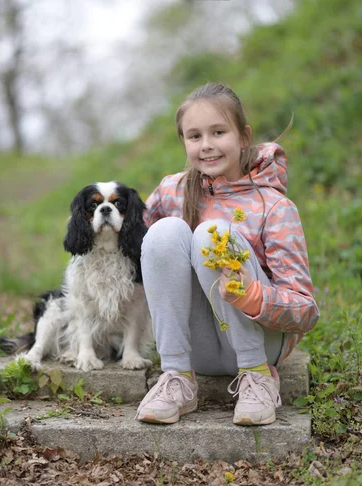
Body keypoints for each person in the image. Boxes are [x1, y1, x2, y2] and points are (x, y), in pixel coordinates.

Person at [136, 82, 319, 426]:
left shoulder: (274, 206)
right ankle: (176, 377)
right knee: (163, 232)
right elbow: (135, 252)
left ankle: (258, 379)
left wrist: (253, 296)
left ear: (243, 136)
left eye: (218, 132)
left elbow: (307, 312)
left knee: (212, 233)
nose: (206, 145)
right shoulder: (170, 191)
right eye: (194, 136)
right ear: (184, 142)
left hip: (263, 345)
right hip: (198, 349)